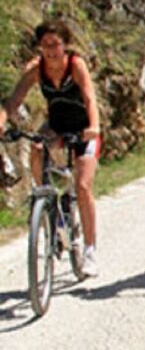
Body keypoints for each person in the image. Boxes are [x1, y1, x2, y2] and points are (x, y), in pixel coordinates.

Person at [0, 20, 102, 277]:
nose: (51, 50)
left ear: (65, 45)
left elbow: (90, 98)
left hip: (82, 128)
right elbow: (14, 100)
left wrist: (94, 128)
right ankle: (48, 208)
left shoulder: (76, 65)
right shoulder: (37, 69)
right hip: (56, 126)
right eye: (46, 45)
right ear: (40, 47)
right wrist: (2, 122)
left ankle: (89, 250)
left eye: (55, 44)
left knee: (83, 185)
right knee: (36, 147)